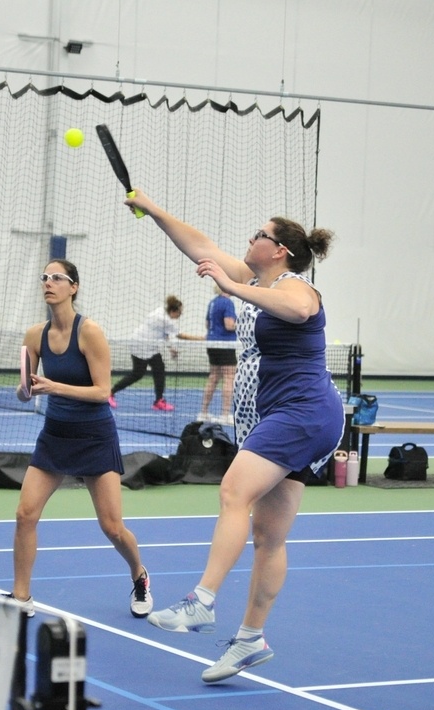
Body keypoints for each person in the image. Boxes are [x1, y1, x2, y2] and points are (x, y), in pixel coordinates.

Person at [126, 189, 344, 683]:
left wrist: (230, 284)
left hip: (302, 412)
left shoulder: (297, 287)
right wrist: (155, 209)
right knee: (268, 537)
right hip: (288, 415)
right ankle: (250, 639)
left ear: (280, 250)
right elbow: (199, 244)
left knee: (232, 492)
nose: (250, 239)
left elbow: (297, 312)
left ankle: (201, 601)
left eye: (259, 235)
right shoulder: (253, 280)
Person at [11, 259, 152, 619]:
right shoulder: (33, 335)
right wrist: (26, 391)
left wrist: (53, 386)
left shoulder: (90, 332)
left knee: (112, 527)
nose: (49, 282)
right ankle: (20, 597)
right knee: (25, 514)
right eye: (44, 277)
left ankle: (139, 574)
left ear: (73, 287)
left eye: (57, 278)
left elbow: (103, 391)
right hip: (55, 435)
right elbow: (25, 389)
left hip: (94, 436)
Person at [109, 295, 199, 412]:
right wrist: (203, 339)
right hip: (140, 345)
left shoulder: (161, 310)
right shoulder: (165, 319)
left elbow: (164, 333)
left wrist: (171, 347)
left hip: (150, 347)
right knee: (138, 373)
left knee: (159, 369)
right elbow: (181, 335)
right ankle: (110, 393)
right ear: (173, 311)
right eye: (179, 313)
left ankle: (159, 401)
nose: (180, 315)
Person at [198, 284, 237, 424]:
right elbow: (229, 325)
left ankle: (203, 412)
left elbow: (208, 325)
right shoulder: (228, 303)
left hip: (212, 343)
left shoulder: (213, 302)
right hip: (225, 344)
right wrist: (243, 325)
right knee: (229, 377)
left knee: (213, 376)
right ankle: (225, 415)